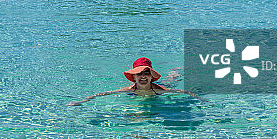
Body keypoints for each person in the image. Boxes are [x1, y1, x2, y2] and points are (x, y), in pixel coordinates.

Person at [67, 56, 201, 105]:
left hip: (159, 88)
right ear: (134, 77)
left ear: (151, 76)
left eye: (146, 73)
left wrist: (200, 99)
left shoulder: (159, 89)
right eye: (139, 74)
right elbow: (104, 94)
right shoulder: (130, 89)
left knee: (171, 80)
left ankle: (176, 71)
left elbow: (183, 92)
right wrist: (82, 101)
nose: (143, 76)